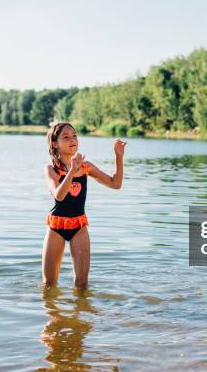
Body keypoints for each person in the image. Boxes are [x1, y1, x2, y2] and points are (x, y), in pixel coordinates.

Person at [43, 122, 126, 288]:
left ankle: (81, 313)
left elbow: (115, 184)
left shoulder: (86, 167)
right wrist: (72, 171)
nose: (72, 139)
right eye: (66, 137)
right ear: (55, 143)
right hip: (56, 227)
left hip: (79, 226)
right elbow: (59, 195)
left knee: (81, 284)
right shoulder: (51, 169)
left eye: (74, 135)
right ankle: (54, 314)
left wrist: (118, 157)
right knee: (49, 285)